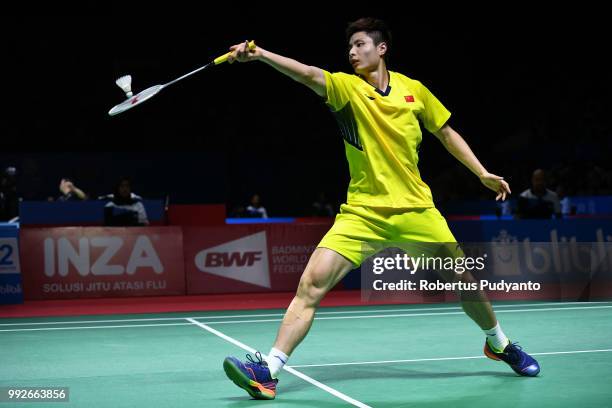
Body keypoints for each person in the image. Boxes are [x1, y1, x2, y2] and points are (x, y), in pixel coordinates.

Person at [222, 18, 539, 400]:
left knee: (466, 284)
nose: (352, 52)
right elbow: (307, 74)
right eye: (349, 48)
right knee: (310, 285)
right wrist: (260, 55)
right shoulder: (347, 88)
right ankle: (269, 371)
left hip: (416, 211)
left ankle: (499, 344)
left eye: (359, 45)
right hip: (362, 214)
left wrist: (482, 173)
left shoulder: (414, 91)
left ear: (381, 48)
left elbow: (446, 132)